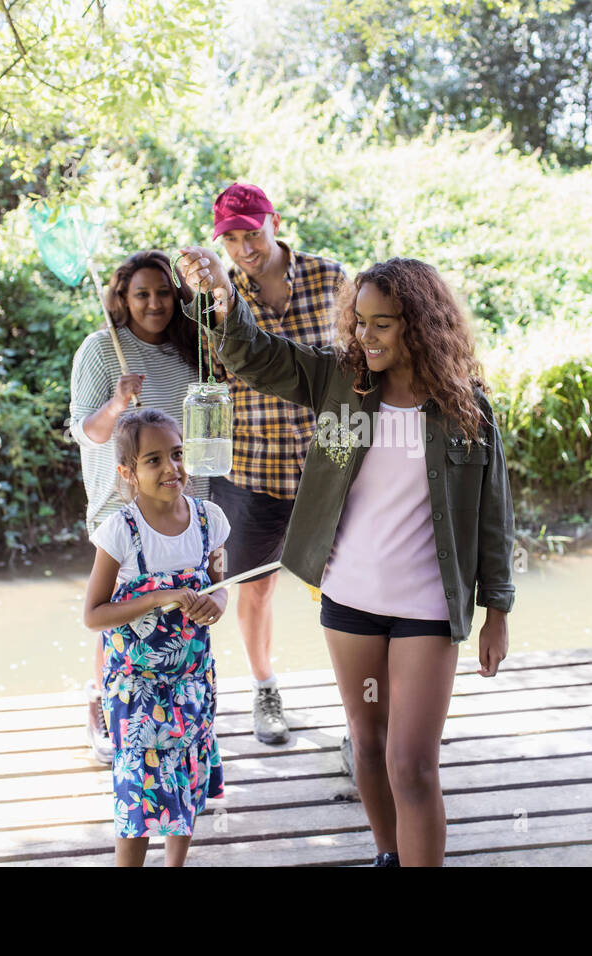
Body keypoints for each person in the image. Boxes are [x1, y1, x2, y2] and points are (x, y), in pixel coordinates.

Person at [178, 249, 515, 867]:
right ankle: (389, 853)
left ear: (419, 323)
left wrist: (497, 610)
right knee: (367, 742)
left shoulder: (468, 408)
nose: (365, 334)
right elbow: (257, 356)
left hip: (427, 607)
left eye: (381, 323)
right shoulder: (341, 381)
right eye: (359, 321)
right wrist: (224, 294)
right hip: (349, 599)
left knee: (411, 765)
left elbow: (493, 517)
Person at [205, 183, 349, 745]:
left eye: (252, 233)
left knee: (348, 587)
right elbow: (210, 377)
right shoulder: (219, 293)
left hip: (330, 467)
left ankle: (359, 704)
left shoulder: (333, 278)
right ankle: (265, 687)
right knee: (255, 587)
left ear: (275, 223)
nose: (244, 248)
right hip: (252, 470)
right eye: (231, 239)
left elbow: (361, 362)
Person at [67, 250, 215, 763]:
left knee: (182, 603)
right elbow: (86, 433)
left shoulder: (192, 349)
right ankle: (103, 704)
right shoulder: (101, 350)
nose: (154, 303)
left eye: (164, 293)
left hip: (184, 495)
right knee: (122, 608)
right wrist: (117, 403)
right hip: (123, 501)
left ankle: (177, 707)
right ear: (122, 299)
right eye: (141, 294)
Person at [82, 407, 230, 866]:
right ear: (128, 473)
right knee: (139, 796)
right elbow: (93, 615)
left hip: (192, 681)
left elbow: (220, 582)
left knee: (185, 781)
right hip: (136, 690)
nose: (172, 468)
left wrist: (217, 604)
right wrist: (156, 597)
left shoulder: (210, 521)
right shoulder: (120, 531)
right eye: (153, 460)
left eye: (178, 454)